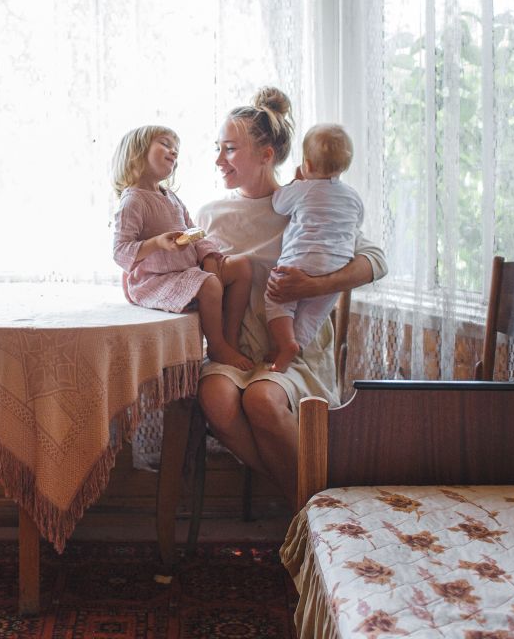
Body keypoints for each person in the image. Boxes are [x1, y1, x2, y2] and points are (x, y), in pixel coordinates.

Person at [196, 88, 386, 501]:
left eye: (230, 149)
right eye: (218, 148)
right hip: (235, 351)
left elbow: (376, 261)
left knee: (262, 400)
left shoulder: (308, 204)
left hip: (295, 352)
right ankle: (309, 500)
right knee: (216, 397)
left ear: (266, 155)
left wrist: (313, 286)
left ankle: (312, 507)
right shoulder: (210, 215)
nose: (219, 160)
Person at [111, 125, 255, 371]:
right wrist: (157, 243)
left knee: (241, 266)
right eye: (165, 144)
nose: (174, 152)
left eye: (176, 148)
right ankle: (217, 345)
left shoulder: (171, 197)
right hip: (155, 279)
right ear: (137, 153)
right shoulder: (133, 200)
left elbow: (194, 231)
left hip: (188, 269)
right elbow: (120, 250)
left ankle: (230, 339)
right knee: (210, 284)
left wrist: (209, 257)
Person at [262, 123, 363, 373]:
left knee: (277, 298)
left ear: (306, 164)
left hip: (302, 259)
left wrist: (296, 181)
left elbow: (278, 204)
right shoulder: (353, 196)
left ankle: (286, 343)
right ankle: (294, 347)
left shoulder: (303, 189)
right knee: (314, 313)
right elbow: (357, 222)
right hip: (337, 266)